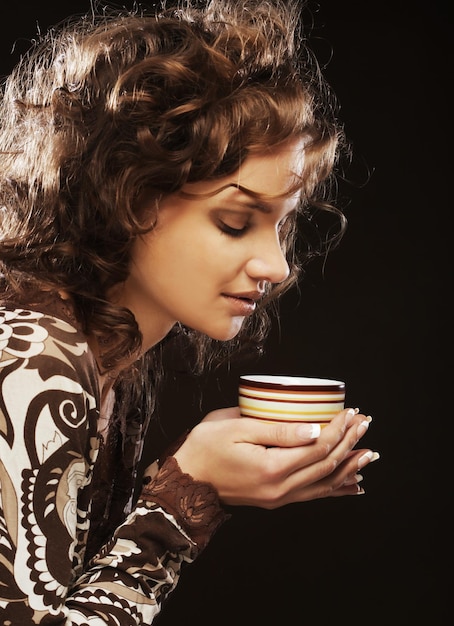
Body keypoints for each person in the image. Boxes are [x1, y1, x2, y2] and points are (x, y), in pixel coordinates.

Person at [0, 1, 379, 624]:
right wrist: (185, 496)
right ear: (127, 194)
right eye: (235, 222)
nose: (277, 266)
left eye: (281, 227)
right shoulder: (33, 359)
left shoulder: (118, 354)